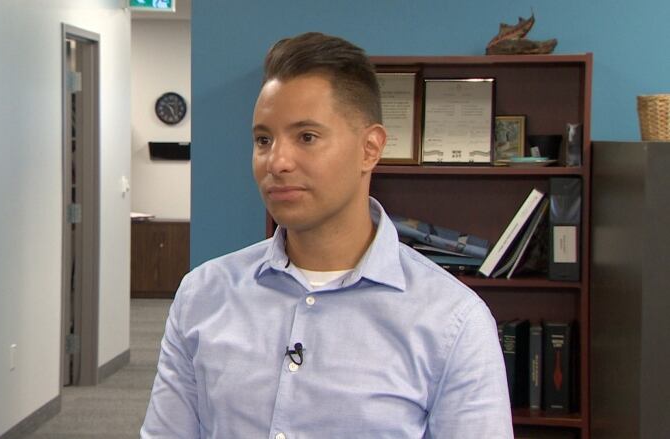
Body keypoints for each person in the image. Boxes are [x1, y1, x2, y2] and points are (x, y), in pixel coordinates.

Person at [141, 32, 512, 438]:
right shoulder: (203, 295)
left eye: (307, 137)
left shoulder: (452, 321)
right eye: (263, 140)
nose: (277, 161)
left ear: (370, 148)